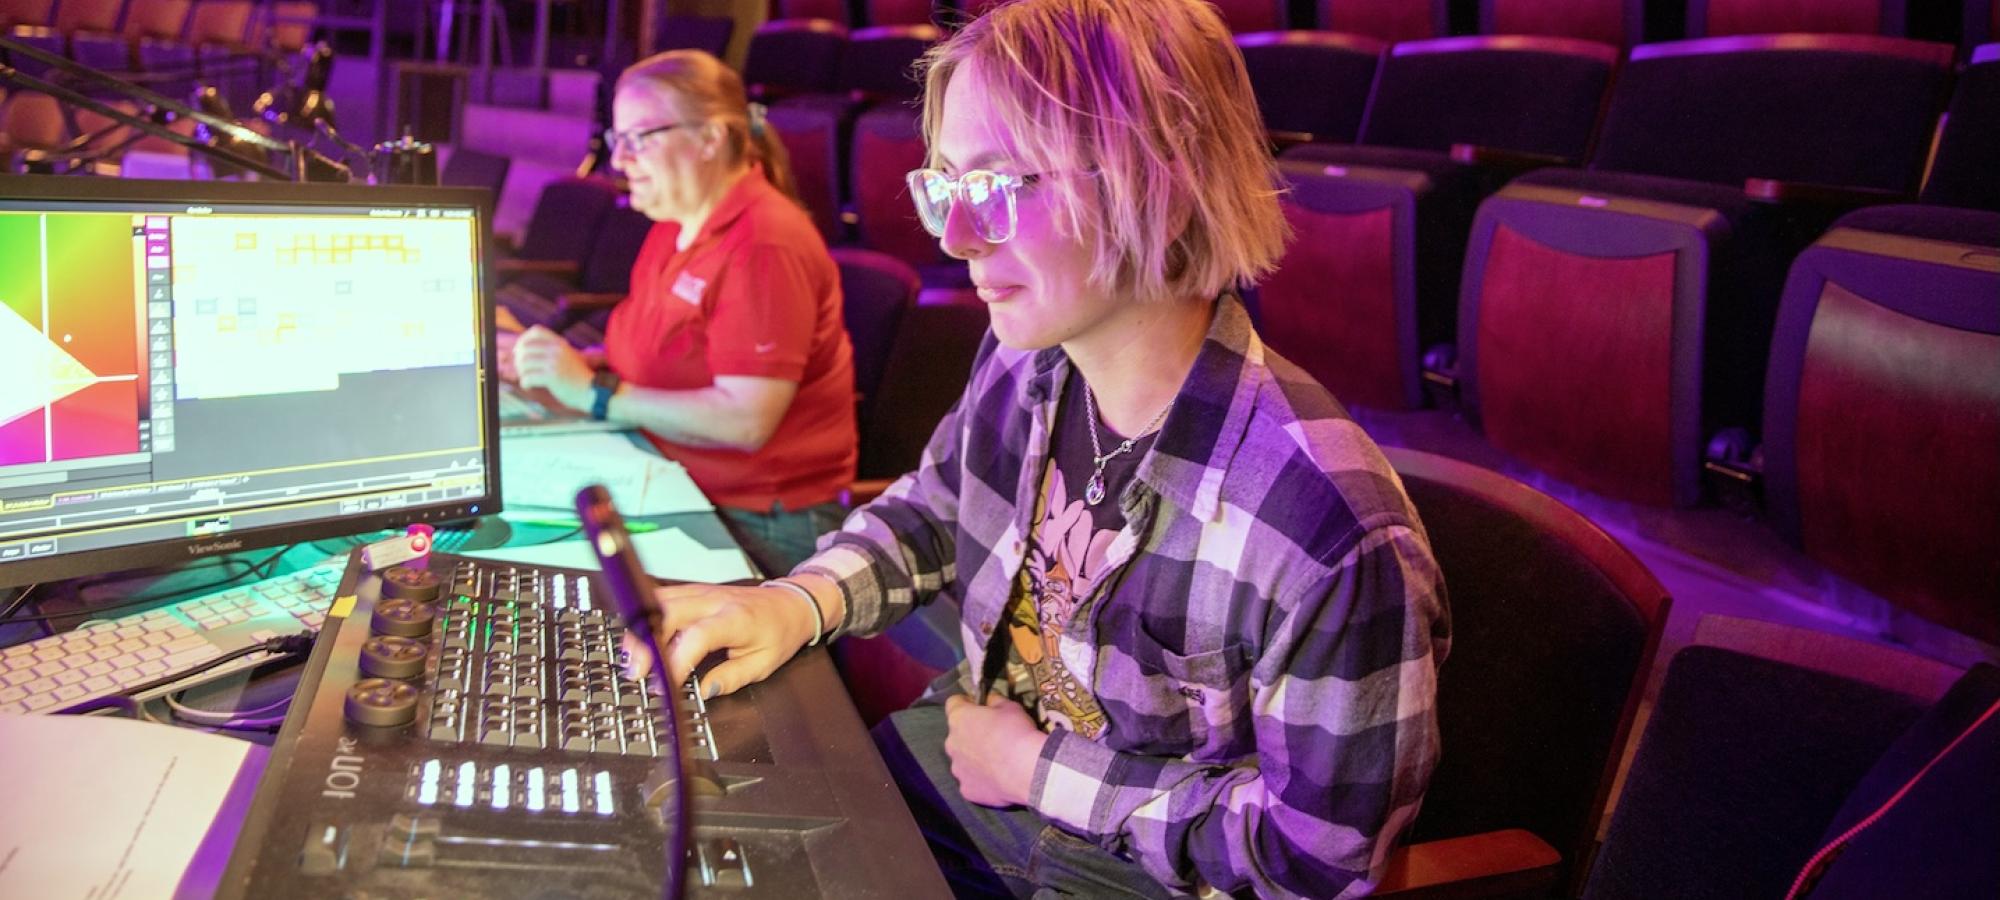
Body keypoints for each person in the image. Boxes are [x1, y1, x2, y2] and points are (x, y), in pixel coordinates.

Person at [624, 2, 1450, 896]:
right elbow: (939, 508)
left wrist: (1034, 771)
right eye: (946, 189)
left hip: (1128, 872)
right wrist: (797, 603)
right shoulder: (1028, 360)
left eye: (1001, 186)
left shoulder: (1329, 526)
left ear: (1160, 185)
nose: (955, 236)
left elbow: (1317, 858)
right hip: (967, 774)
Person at [502, 50, 856, 577]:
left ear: (711, 137)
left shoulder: (764, 244)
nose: (619, 161)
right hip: (673, 474)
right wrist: (564, 364)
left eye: (639, 139)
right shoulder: (674, 224)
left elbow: (745, 420)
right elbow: (665, 350)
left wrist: (594, 393)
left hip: (758, 520)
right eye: (616, 140)